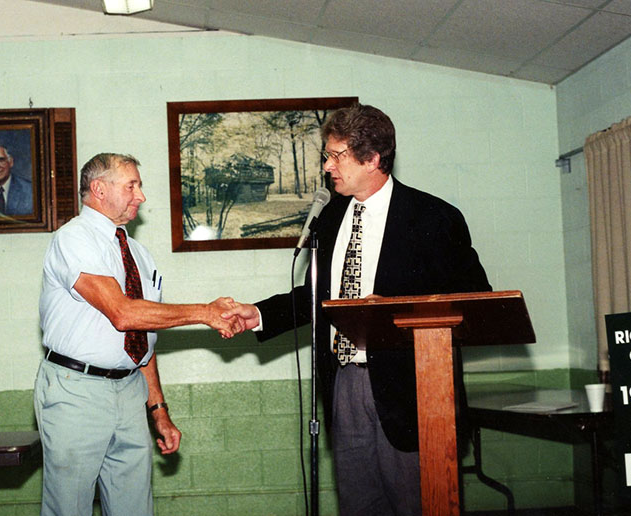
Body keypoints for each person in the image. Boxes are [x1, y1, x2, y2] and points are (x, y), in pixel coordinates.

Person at [223, 104, 491, 515]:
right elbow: (318, 297)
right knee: (358, 505)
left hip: (413, 391)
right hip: (344, 384)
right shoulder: (329, 218)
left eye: (336, 156)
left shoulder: (435, 218)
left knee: (419, 504)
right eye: (326, 156)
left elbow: (475, 301)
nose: (327, 166)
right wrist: (256, 313)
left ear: (372, 159)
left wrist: (396, 310)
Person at [35, 152, 243, 516]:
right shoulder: (73, 239)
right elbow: (123, 313)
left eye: (140, 187)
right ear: (98, 189)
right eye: (132, 186)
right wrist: (205, 313)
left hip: (130, 392)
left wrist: (158, 410)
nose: (141, 197)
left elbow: (141, 339)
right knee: (70, 509)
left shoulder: (139, 255)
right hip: (76, 392)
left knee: (135, 509)